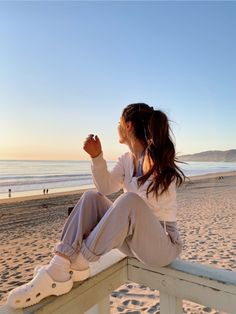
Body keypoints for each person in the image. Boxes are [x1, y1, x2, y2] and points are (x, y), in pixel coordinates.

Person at [7, 103, 186, 309]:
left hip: (162, 244)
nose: (116, 127)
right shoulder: (126, 159)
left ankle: (78, 262)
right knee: (91, 197)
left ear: (127, 126)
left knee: (129, 200)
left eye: (118, 123)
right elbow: (105, 187)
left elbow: (139, 205)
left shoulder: (156, 159)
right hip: (131, 242)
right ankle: (61, 262)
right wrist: (96, 157)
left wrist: (101, 227)